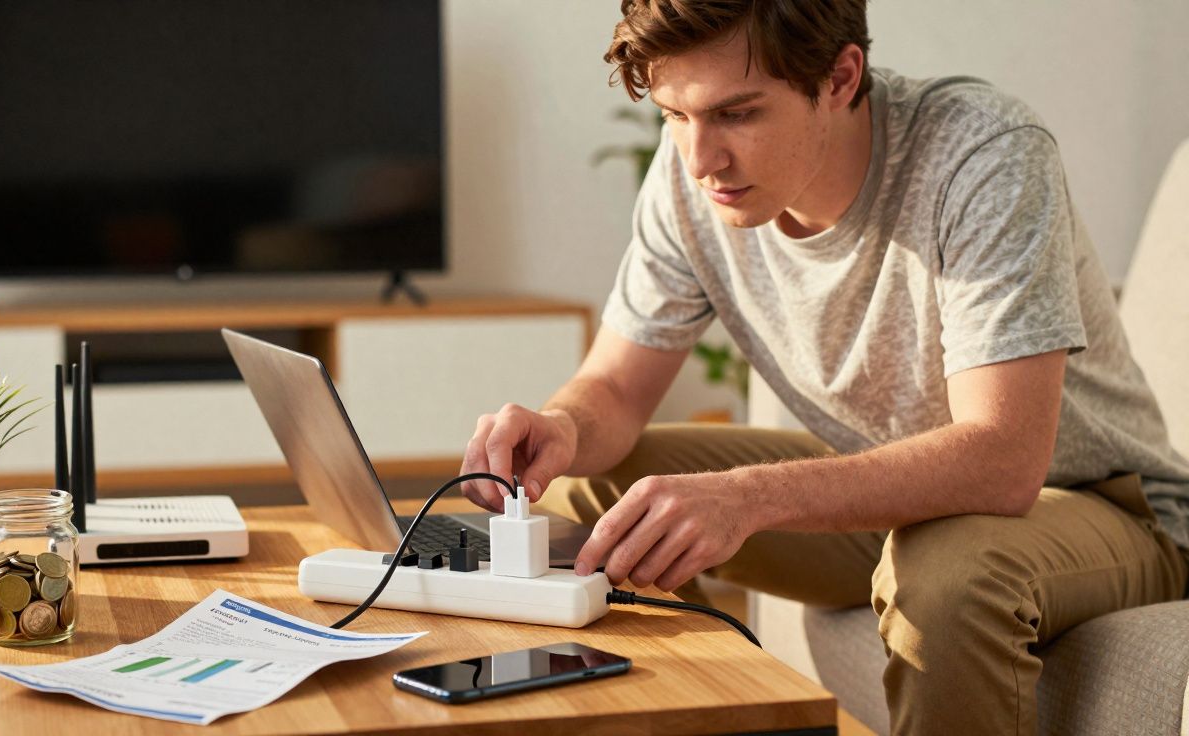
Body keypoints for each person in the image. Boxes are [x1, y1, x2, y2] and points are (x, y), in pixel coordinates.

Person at [458, 1, 1189, 733]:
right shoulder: (690, 182)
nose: (699, 158)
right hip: (895, 493)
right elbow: (615, 388)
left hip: (1096, 504)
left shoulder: (984, 153)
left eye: (737, 114)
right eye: (675, 114)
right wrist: (560, 425)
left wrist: (746, 498)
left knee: (949, 577)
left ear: (841, 77)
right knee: (586, 480)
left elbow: (1004, 459)